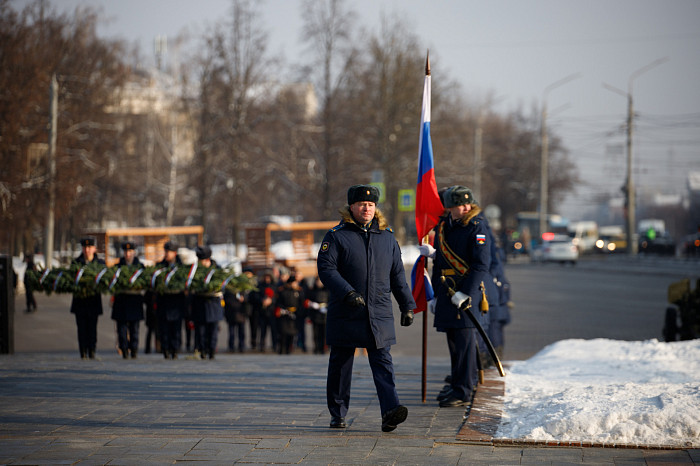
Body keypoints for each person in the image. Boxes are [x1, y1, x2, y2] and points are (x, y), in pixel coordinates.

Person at [317, 184, 416, 432]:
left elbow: (397, 275)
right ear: (351, 207)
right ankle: (337, 413)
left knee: (383, 362)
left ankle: (390, 412)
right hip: (346, 311)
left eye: (371, 205)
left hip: (378, 312)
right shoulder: (336, 236)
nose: (367, 208)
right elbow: (327, 269)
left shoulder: (387, 237)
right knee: (341, 364)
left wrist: (407, 305)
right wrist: (347, 292)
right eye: (362, 204)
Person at [419, 185, 492, 408]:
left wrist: (466, 292)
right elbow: (442, 265)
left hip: (463, 294)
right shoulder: (445, 225)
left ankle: (464, 390)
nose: (466, 207)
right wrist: (434, 294)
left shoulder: (475, 227)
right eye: (461, 204)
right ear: (450, 206)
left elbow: (481, 265)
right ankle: (457, 384)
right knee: (454, 343)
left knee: (465, 345)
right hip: (447, 292)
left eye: (467, 203)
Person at [70, 237, 105, 359]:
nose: (87, 250)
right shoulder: (76, 263)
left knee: (92, 328)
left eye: (90, 247)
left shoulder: (100, 264)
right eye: (85, 247)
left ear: (94, 249)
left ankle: (92, 350)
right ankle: (83, 351)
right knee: (81, 328)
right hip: (80, 302)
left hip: (93, 301)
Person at [110, 241, 145, 359]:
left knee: (134, 329)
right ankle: (124, 349)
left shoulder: (140, 267)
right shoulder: (118, 267)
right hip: (121, 301)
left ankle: (134, 349)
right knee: (121, 329)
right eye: (126, 251)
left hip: (135, 301)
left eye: (130, 251)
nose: (128, 254)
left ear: (134, 252)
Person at [190, 246, 224, 359]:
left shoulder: (217, 270)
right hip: (200, 304)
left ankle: (212, 351)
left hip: (213, 305)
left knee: (213, 331)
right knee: (201, 331)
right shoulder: (195, 270)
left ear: (207, 260)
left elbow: (223, 285)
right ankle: (203, 350)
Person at [156, 241, 186, 359]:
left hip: (177, 303)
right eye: (166, 252)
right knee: (164, 329)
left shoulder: (181, 268)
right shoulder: (160, 267)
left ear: (174, 253)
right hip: (164, 302)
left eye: (169, 252)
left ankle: (175, 349)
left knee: (176, 328)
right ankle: (165, 349)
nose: (167, 254)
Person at [306, 276, 329, 354]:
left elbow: (330, 301)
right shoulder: (312, 291)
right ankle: (316, 348)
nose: (319, 283)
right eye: (317, 281)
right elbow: (308, 302)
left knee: (323, 333)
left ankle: (323, 348)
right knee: (315, 333)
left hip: (324, 315)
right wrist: (312, 305)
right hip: (315, 315)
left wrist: (324, 307)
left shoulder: (327, 291)